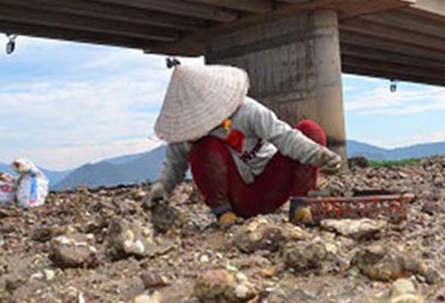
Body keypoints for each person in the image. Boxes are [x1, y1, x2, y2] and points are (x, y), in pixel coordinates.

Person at [145, 64, 343, 227]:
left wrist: (319, 155)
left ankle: (301, 206)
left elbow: (285, 137)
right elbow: (174, 166)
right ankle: (224, 215)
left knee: (310, 130)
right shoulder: (187, 134)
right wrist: (161, 187)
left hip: (273, 184)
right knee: (204, 147)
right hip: (238, 199)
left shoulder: (247, 111)